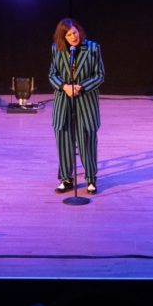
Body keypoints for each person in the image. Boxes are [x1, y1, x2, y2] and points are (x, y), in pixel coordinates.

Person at [48, 18, 105, 194]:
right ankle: (66, 178)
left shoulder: (93, 48)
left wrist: (82, 87)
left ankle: (90, 178)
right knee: (63, 139)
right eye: (69, 34)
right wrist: (64, 86)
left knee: (86, 139)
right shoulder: (56, 49)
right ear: (63, 37)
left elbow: (99, 75)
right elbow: (52, 74)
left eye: (75, 32)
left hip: (85, 101)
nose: (74, 36)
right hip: (63, 102)